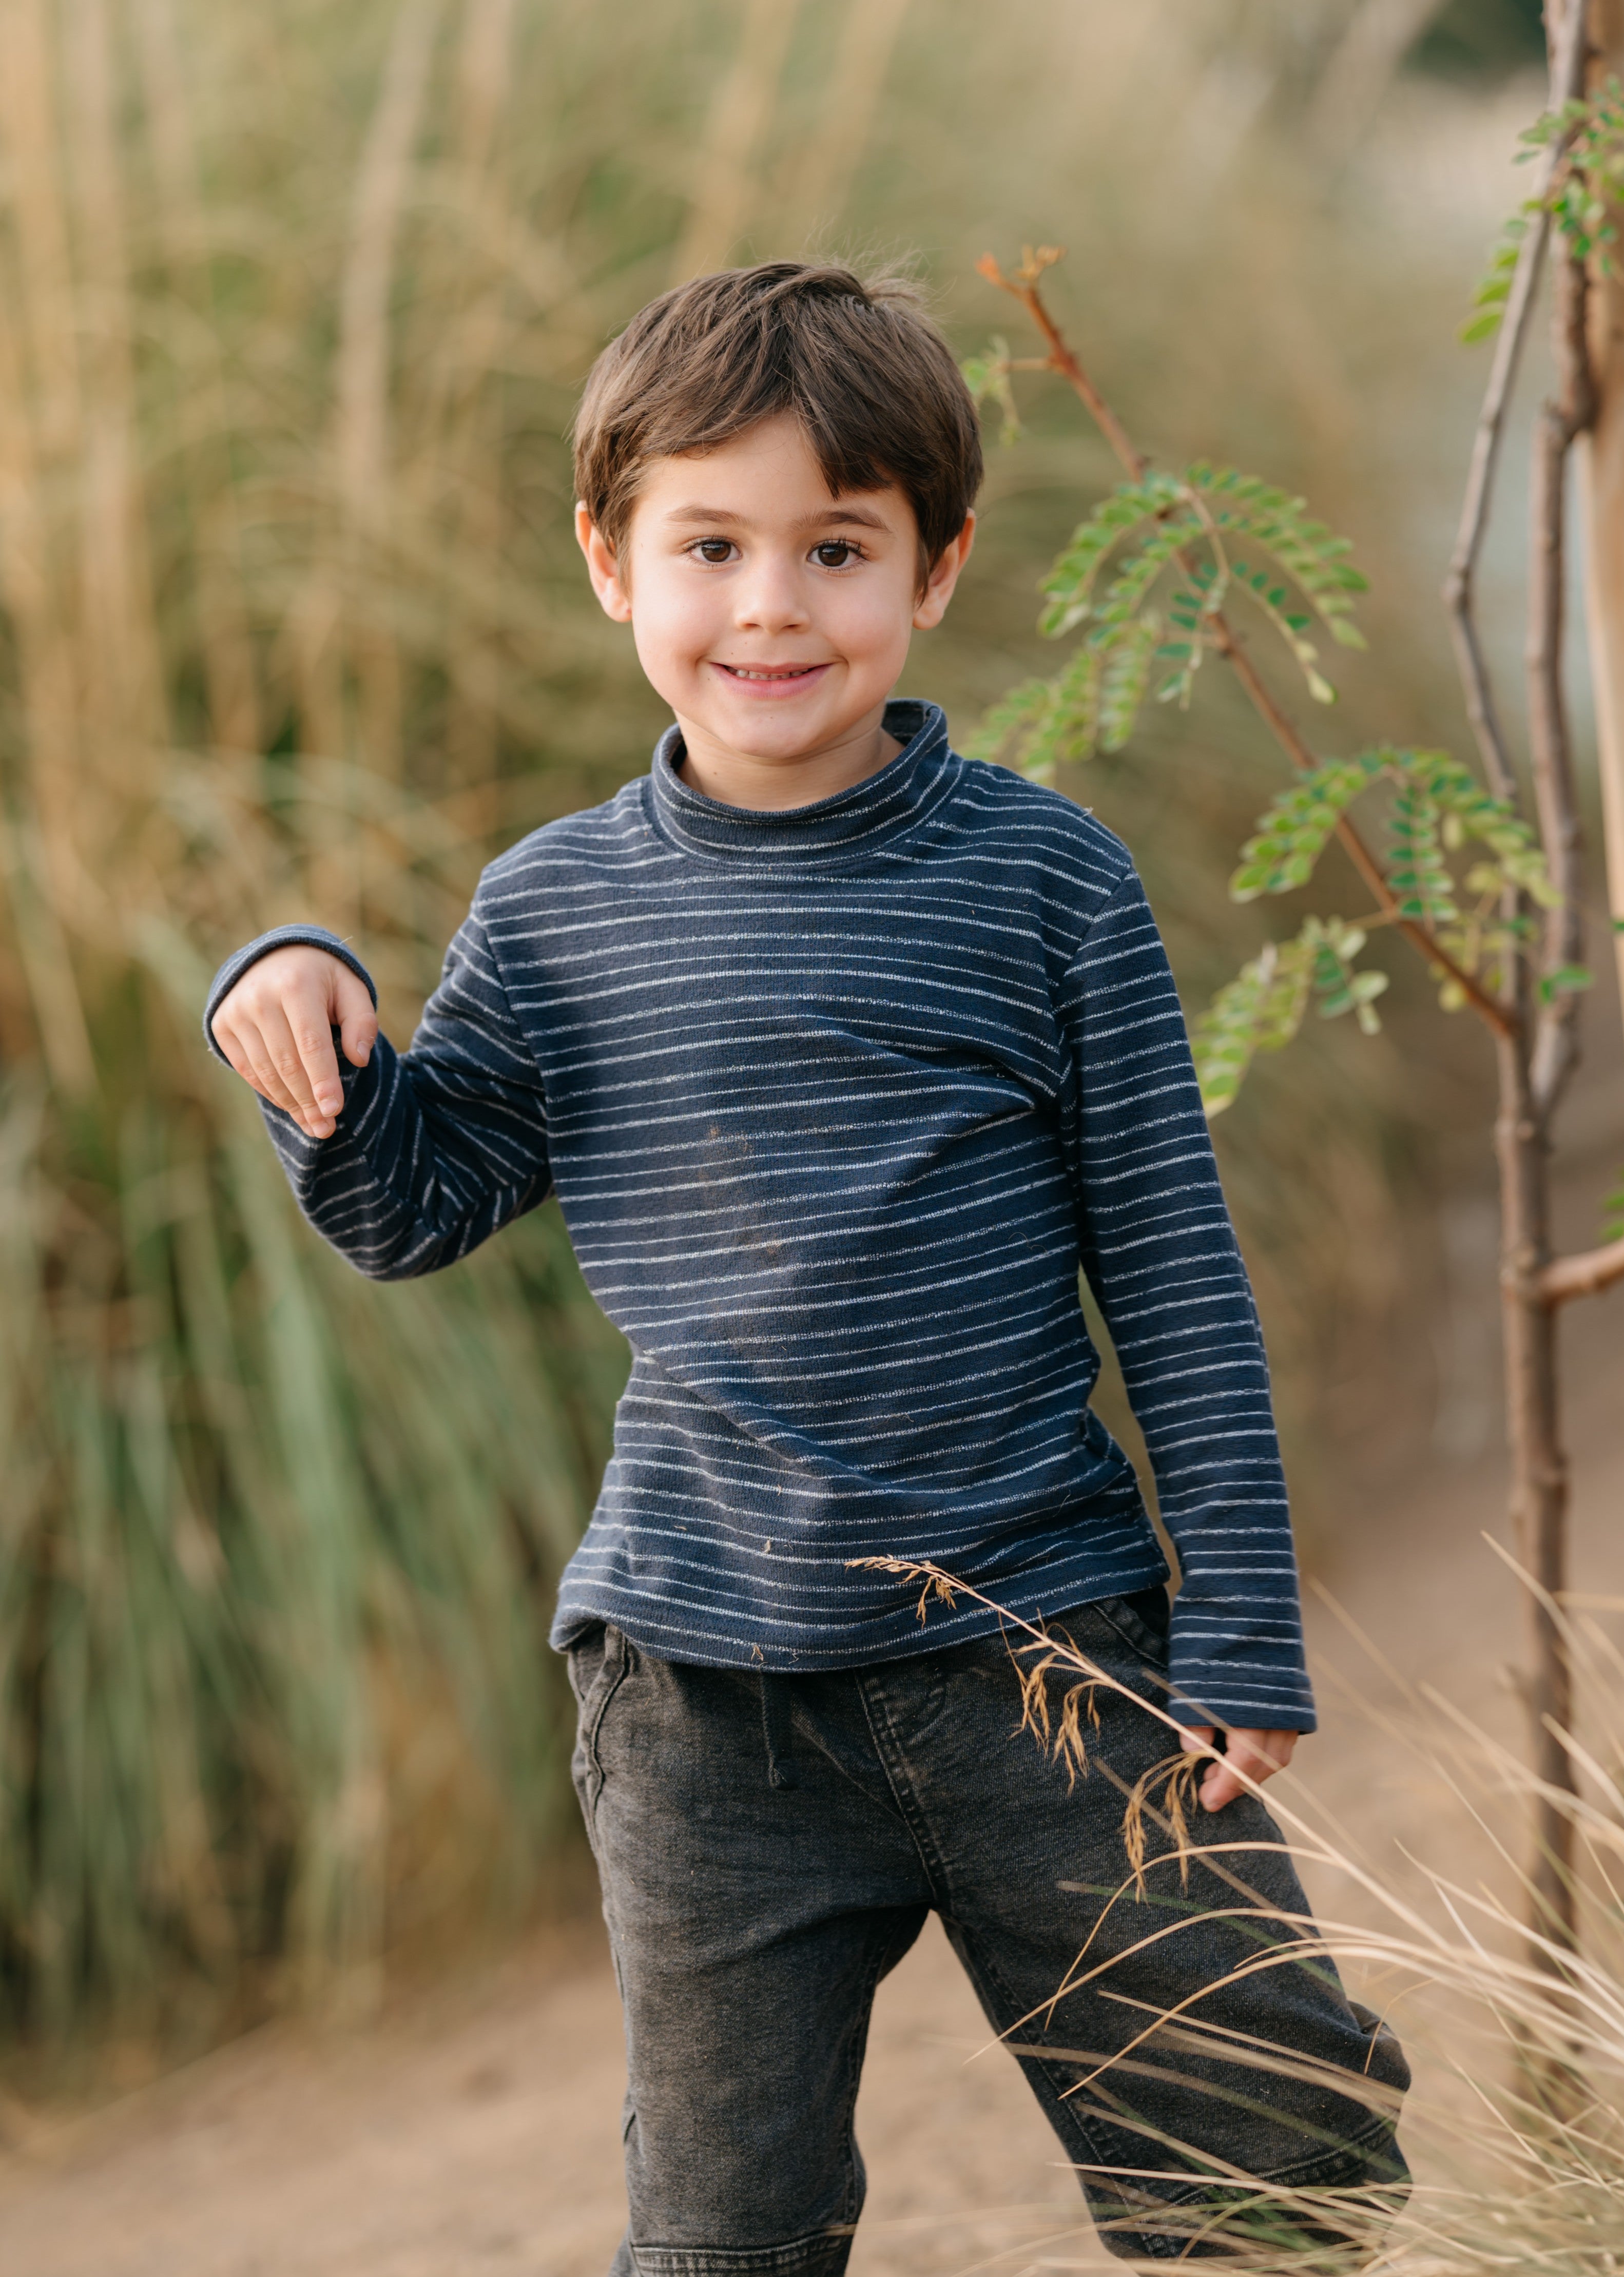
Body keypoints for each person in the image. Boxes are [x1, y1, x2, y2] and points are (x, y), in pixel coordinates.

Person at [205, 261, 1407, 2266]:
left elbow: (1172, 1267)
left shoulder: (1044, 882)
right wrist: (303, 1010)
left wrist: (1241, 1620)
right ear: (613, 562)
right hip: (705, 1705)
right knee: (725, 2228)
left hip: (1050, 1663)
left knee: (1271, 2146)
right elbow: (417, 1203)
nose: (771, 603)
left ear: (932, 570)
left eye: (836, 546)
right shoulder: (557, 910)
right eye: (712, 544)